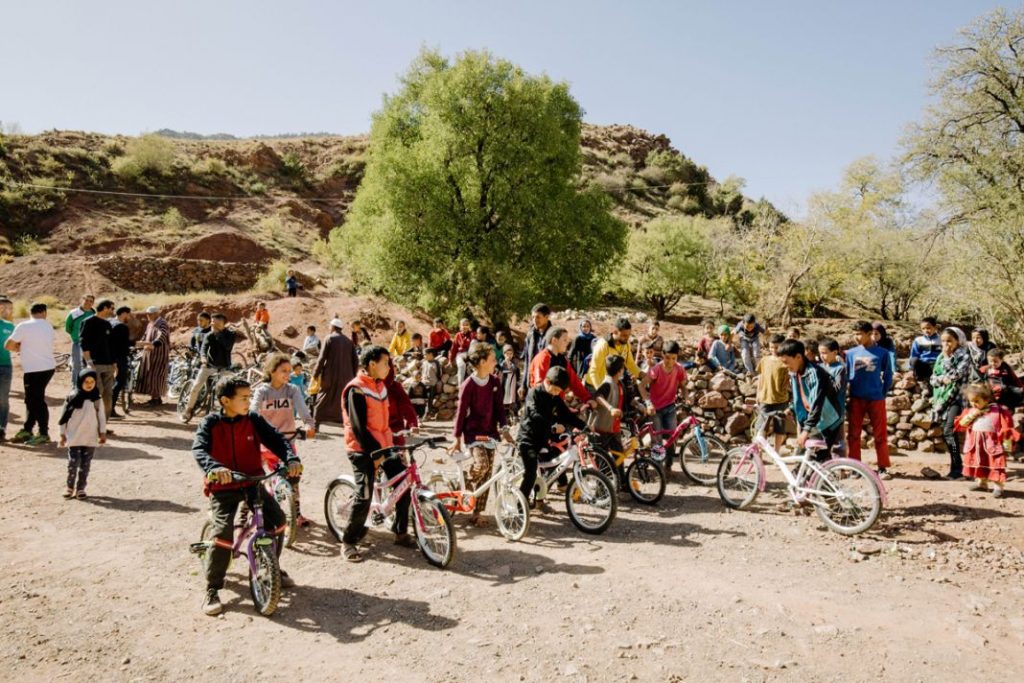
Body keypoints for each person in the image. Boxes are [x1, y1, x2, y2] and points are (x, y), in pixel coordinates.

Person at [192, 376, 301, 616]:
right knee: (222, 534)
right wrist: (213, 468)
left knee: (278, 521)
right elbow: (198, 449)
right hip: (224, 485)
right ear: (225, 401)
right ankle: (213, 588)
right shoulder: (210, 423)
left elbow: (276, 439)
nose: (248, 401)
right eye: (243, 398)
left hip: (252, 481)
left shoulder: (252, 419)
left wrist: (290, 458)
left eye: (249, 397)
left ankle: (271, 563)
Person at [340, 345, 414, 562]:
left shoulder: (380, 386)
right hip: (362, 449)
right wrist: (375, 453)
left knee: (404, 481)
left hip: (384, 445)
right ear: (372, 364)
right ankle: (349, 541)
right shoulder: (356, 389)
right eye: (385, 363)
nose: (389, 367)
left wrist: (392, 443)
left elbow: (384, 422)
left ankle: (400, 532)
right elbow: (359, 428)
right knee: (363, 495)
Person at [250, 354, 316, 527]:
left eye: (289, 370)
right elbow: (253, 411)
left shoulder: (292, 389)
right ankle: (248, 514)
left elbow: (303, 409)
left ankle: (297, 514)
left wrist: (309, 425)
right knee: (253, 476)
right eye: (283, 371)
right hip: (265, 441)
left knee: (293, 475)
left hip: (287, 440)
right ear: (272, 371)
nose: (288, 374)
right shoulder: (262, 391)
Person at [450, 342, 507, 526]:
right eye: (492, 359)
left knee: (488, 475)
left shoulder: (495, 381)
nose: (495, 362)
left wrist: (505, 429)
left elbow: (499, 409)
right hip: (473, 433)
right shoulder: (468, 385)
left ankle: (477, 513)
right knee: (482, 465)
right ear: (482, 362)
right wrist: (456, 438)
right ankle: (462, 480)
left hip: (490, 432)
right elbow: (460, 413)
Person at [516, 366, 587, 513]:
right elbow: (534, 414)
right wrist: (553, 427)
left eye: (559, 391)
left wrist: (586, 426)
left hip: (543, 439)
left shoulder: (555, 397)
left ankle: (539, 501)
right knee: (530, 472)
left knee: (553, 469)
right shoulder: (534, 393)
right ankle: (519, 505)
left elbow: (566, 415)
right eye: (555, 389)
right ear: (547, 381)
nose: (556, 393)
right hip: (527, 439)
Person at [777, 339, 843, 462]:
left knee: (815, 462)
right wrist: (791, 408)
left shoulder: (814, 374)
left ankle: (827, 480)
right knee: (808, 464)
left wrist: (806, 431)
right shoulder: (795, 371)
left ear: (798, 357)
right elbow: (800, 395)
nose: (786, 367)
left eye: (786, 362)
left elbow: (817, 404)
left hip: (827, 420)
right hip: (813, 420)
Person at [846, 320, 895, 479]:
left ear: (869, 334)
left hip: (876, 399)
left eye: (860, 334)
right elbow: (847, 375)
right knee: (853, 435)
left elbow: (888, 375)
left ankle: (883, 467)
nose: (857, 337)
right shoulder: (851, 353)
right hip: (856, 398)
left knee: (880, 434)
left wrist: (882, 392)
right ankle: (855, 467)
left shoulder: (882, 353)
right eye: (855, 334)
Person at [5, 302, 57, 445]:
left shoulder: (24, 326)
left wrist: (19, 348)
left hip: (33, 369)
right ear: (44, 312)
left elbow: (7, 345)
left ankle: (43, 433)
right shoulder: (48, 326)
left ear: (30, 312)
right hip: (48, 367)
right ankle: (28, 429)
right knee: (32, 399)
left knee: (36, 400)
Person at [956, 383, 1015, 498]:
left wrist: (1007, 446)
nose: (974, 404)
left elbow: (1006, 429)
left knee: (995, 465)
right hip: (976, 444)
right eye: (971, 401)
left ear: (986, 399)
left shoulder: (998, 411)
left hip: (992, 444)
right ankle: (982, 483)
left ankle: (998, 487)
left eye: (977, 401)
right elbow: (962, 424)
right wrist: (972, 415)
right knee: (979, 463)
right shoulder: (971, 411)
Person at [930, 327, 974, 480]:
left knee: (949, 431)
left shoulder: (964, 356)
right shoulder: (940, 357)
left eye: (949, 341)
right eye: (943, 341)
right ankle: (957, 467)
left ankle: (958, 468)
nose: (945, 344)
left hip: (958, 398)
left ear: (958, 341)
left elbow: (956, 375)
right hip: (943, 398)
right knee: (948, 432)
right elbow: (933, 379)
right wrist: (942, 378)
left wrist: (948, 358)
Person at [59, 369, 107, 499]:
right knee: (73, 463)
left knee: (85, 465)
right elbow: (63, 417)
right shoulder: (72, 397)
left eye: (92, 381)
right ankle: (69, 487)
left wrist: (102, 433)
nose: (89, 384)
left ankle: (81, 488)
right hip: (74, 436)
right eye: (86, 381)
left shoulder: (97, 399)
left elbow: (101, 416)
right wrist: (62, 434)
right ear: (80, 381)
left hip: (90, 437)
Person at [182, 313, 237, 422]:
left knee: (228, 391)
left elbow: (227, 346)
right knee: (196, 387)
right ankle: (189, 409)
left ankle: (227, 414)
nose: (212, 324)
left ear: (223, 323)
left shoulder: (230, 334)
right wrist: (203, 358)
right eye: (212, 322)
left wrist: (218, 333)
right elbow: (204, 348)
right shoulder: (209, 335)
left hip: (224, 367)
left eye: (215, 322)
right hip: (209, 366)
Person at [643, 340, 688, 473]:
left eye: (673, 358)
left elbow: (683, 386)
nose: (670, 361)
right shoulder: (656, 369)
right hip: (655, 409)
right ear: (662, 354)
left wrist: (686, 396)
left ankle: (668, 465)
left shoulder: (679, 369)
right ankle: (658, 468)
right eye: (667, 357)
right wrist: (648, 403)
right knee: (656, 440)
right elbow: (641, 386)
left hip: (670, 407)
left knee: (672, 437)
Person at [312, 318, 359, 428]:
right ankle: (344, 422)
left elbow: (321, 358)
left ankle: (316, 422)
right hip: (347, 377)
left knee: (323, 397)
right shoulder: (349, 341)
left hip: (330, 375)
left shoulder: (329, 338)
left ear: (333, 327)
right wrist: (352, 376)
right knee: (343, 399)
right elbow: (355, 361)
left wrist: (315, 373)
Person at [528, 327, 594, 403]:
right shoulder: (543, 358)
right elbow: (539, 385)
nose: (567, 343)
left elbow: (574, 381)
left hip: (557, 404)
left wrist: (587, 398)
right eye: (564, 340)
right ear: (554, 340)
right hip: (542, 405)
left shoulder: (562, 359)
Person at [593, 354, 628, 484]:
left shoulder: (619, 384)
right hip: (602, 430)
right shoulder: (607, 384)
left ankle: (622, 483)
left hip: (614, 429)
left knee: (619, 457)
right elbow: (598, 396)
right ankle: (601, 488)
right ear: (620, 370)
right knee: (602, 462)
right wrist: (610, 408)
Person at [80, 299, 117, 419]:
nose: (113, 311)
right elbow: (84, 343)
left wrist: (114, 363)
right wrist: (89, 362)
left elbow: (111, 345)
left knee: (108, 395)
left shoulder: (107, 324)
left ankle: (103, 425)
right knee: (96, 393)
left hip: (108, 364)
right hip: (95, 364)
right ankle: (91, 423)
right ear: (105, 308)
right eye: (112, 308)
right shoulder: (88, 322)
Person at [756, 333, 792, 454]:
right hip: (765, 398)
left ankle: (776, 453)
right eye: (771, 347)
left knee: (780, 428)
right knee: (761, 428)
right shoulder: (764, 360)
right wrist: (758, 394)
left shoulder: (786, 362)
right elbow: (761, 377)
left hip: (781, 400)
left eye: (777, 347)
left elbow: (791, 377)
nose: (774, 350)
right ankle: (759, 454)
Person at [586, 317, 643, 389]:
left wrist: (641, 374)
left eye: (629, 335)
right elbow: (593, 372)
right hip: (594, 385)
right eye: (624, 335)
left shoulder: (626, 344)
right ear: (615, 332)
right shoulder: (603, 345)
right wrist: (601, 392)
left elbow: (630, 364)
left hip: (611, 385)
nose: (627, 338)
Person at [817, 338, 849, 457]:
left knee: (837, 443)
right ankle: (825, 468)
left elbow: (837, 388)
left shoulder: (840, 369)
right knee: (822, 442)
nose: (822, 356)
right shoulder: (819, 367)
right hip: (821, 412)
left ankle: (839, 469)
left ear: (835, 353)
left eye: (825, 353)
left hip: (836, 412)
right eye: (820, 353)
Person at [134, 306, 170, 406]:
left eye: (149, 314)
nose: (148, 316)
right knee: (150, 375)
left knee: (157, 376)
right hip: (149, 353)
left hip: (159, 354)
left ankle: (156, 399)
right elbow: (145, 336)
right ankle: (154, 397)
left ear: (156, 314)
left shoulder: (162, 324)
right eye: (147, 314)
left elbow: (161, 337)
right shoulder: (150, 324)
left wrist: (152, 345)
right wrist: (140, 344)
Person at [520, 303, 552, 397]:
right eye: (533, 317)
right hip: (531, 383)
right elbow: (527, 361)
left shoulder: (554, 335)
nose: (534, 320)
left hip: (547, 385)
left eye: (538, 317)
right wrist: (523, 385)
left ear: (546, 317)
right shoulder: (530, 335)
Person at [385, 359, 419, 445]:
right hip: (375, 434)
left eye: (388, 365)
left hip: (395, 430)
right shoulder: (368, 388)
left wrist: (413, 424)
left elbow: (406, 406)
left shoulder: (395, 387)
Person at [109, 306, 132, 419]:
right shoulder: (122, 327)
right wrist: (142, 343)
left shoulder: (110, 322)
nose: (129, 317)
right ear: (123, 313)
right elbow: (125, 344)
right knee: (119, 383)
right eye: (128, 314)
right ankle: (110, 409)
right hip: (120, 358)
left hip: (110, 358)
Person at [64, 294, 95, 380]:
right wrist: (75, 336)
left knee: (89, 365)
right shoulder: (74, 313)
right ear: (82, 300)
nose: (88, 302)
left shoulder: (94, 314)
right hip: (77, 343)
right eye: (86, 300)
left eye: (91, 301)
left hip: (91, 345)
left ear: (93, 303)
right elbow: (68, 328)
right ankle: (75, 386)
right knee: (77, 365)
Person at [910, 317, 942, 394]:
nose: (926, 331)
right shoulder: (918, 340)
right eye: (923, 329)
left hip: (936, 363)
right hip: (924, 364)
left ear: (935, 327)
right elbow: (914, 354)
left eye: (928, 328)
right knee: (914, 360)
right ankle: (922, 383)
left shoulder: (941, 339)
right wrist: (911, 368)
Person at [0, 297, 14, 443]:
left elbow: (18, 345)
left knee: (3, 399)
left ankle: (1, 428)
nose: (6, 310)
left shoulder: (10, 326)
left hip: (5, 366)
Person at [449, 318, 474, 386]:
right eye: (463, 325)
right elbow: (453, 348)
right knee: (461, 365)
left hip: (470, 354)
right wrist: (450, 359)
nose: (465, 327)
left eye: (467, 325)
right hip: (460, 354)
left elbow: (474, 345)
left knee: (473, 366)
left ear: (469, 326)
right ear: (460, 326)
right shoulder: (458, 335)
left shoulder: (472, 334)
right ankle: (461, 385)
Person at [500, 344, 520, 418]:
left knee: (513, 398)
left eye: (510, 354)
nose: (509, 355)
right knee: (505, 398)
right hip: (505, 384)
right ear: (504, 354)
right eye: (507, 354)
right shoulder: (502, 363)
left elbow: (516, 371)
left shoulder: (514, 362)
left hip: (513, 383)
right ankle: (506, 415)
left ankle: (515, 414)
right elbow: (500, 373)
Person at [421, 347, 443, 419]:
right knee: (423, 400)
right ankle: (422, 414)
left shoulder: (436, 363)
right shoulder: (424, 362)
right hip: (424, 384)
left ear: (430, 354)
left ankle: (427, 415)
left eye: (425, 354)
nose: (424, 356)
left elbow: (439, 374)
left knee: (429, 400)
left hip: (431, 384)